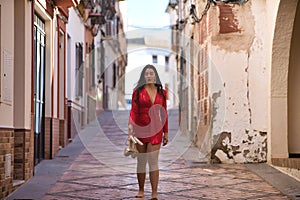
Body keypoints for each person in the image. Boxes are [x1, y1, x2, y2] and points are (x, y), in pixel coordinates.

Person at [128, 64, 168, 200]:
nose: (149, 76)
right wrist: (131, 126)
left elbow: (164, 113)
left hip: (156, 129)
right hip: (140, 128)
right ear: (143, 77)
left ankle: (154, 192)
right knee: (141, 161)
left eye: (151, 73)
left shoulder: (162, 93)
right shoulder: (137, 91)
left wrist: (166, 132)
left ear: (155, 76)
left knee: (153, 161)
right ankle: (140, 189)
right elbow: (133, 111)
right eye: (146, 74)